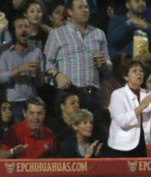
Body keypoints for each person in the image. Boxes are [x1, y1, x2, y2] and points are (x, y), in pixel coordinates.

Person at [44, 0, 111, 133]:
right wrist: (57, 75)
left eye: (86, 7)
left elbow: (108, 64)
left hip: (93, 94)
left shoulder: (98, 33)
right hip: (70, 94)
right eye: (80, 7)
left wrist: (104, 64)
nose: (85, 10)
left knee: (94, 133)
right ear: (70, 12)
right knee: (69, 134)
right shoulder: (57, 34)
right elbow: (46, 62)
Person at [106, 60, 151, 157]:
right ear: (126, 77)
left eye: (141, 71)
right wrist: (142, 106)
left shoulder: (147, 94)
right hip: (122, 147)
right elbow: (123, 122)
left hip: (144, 145)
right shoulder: (118, 94)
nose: (139, 73)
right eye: (134, 71)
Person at [0, 12, 45, 123]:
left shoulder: (36, 52)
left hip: (32, 101)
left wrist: (38, 71)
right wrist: (20, 69)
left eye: (26, 27)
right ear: (14, 32)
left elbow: (40, 83)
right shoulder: (5, 54)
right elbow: (1, 78)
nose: (24, 30)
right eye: (20, 27)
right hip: (13, 102)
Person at [107, 0, 151, 64]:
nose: (141, 3)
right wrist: (129, 23)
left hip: (139, 69)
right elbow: (111, 39)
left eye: (143, 1)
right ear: (128, 5)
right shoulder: (116, 20)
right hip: (120, 68)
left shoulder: (148, 27)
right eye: (137, 1)